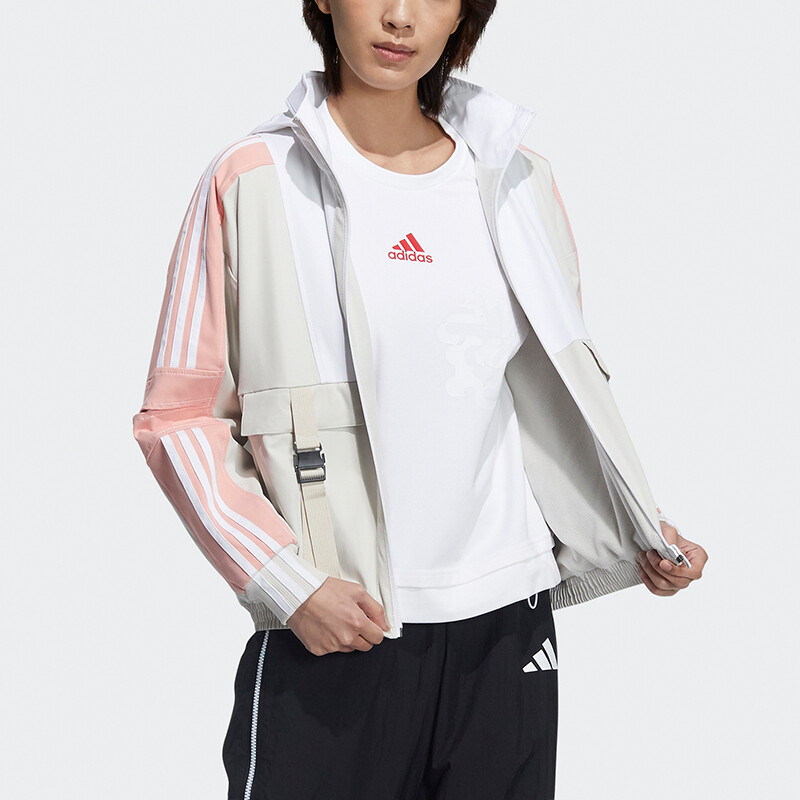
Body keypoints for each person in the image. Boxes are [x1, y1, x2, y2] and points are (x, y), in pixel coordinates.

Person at [132, 1, 709, 798]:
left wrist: (633, 523)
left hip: (507, 626)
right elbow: (177, 415)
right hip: (337, 622)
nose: (400, 17)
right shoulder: (253, 179)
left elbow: (547, 398)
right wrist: (288, 582)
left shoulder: (518, 179)